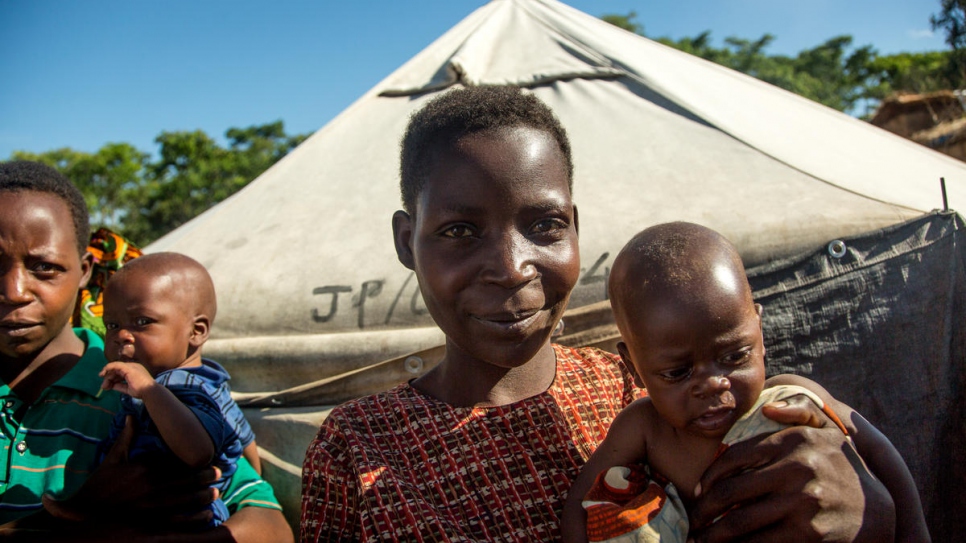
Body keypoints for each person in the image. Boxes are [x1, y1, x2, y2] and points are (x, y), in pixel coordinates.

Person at [300, 85, 897, 542]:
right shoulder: (357, 449)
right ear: (407, 242)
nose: (511, 267)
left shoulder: (650, 386)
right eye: (459, 230)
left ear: (576, 229)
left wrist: (872, 509)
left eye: (544, 226)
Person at [560, 222, 930, 543]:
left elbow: (878, 451)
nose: (714, 383)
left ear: (760, 330)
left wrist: (914, 533)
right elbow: (578, 506)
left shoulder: (792, 398)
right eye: (678, 373)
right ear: (634, 366)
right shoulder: (643, 428)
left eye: (736, 356)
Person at [0, 160, 293, 542]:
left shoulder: (145, 389)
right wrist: (81, 518)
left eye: (44, 267)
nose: (14, 291)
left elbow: (270, 525)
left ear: (86, 269)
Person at [98, 251, 261, 526]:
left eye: (142, 322)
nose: (121, 336)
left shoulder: (181, 387)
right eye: (112, 325)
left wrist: (150, 391)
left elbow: (197, 452)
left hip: (186, 520)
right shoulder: (208, 381)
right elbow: (245, 440)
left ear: (196, 331)